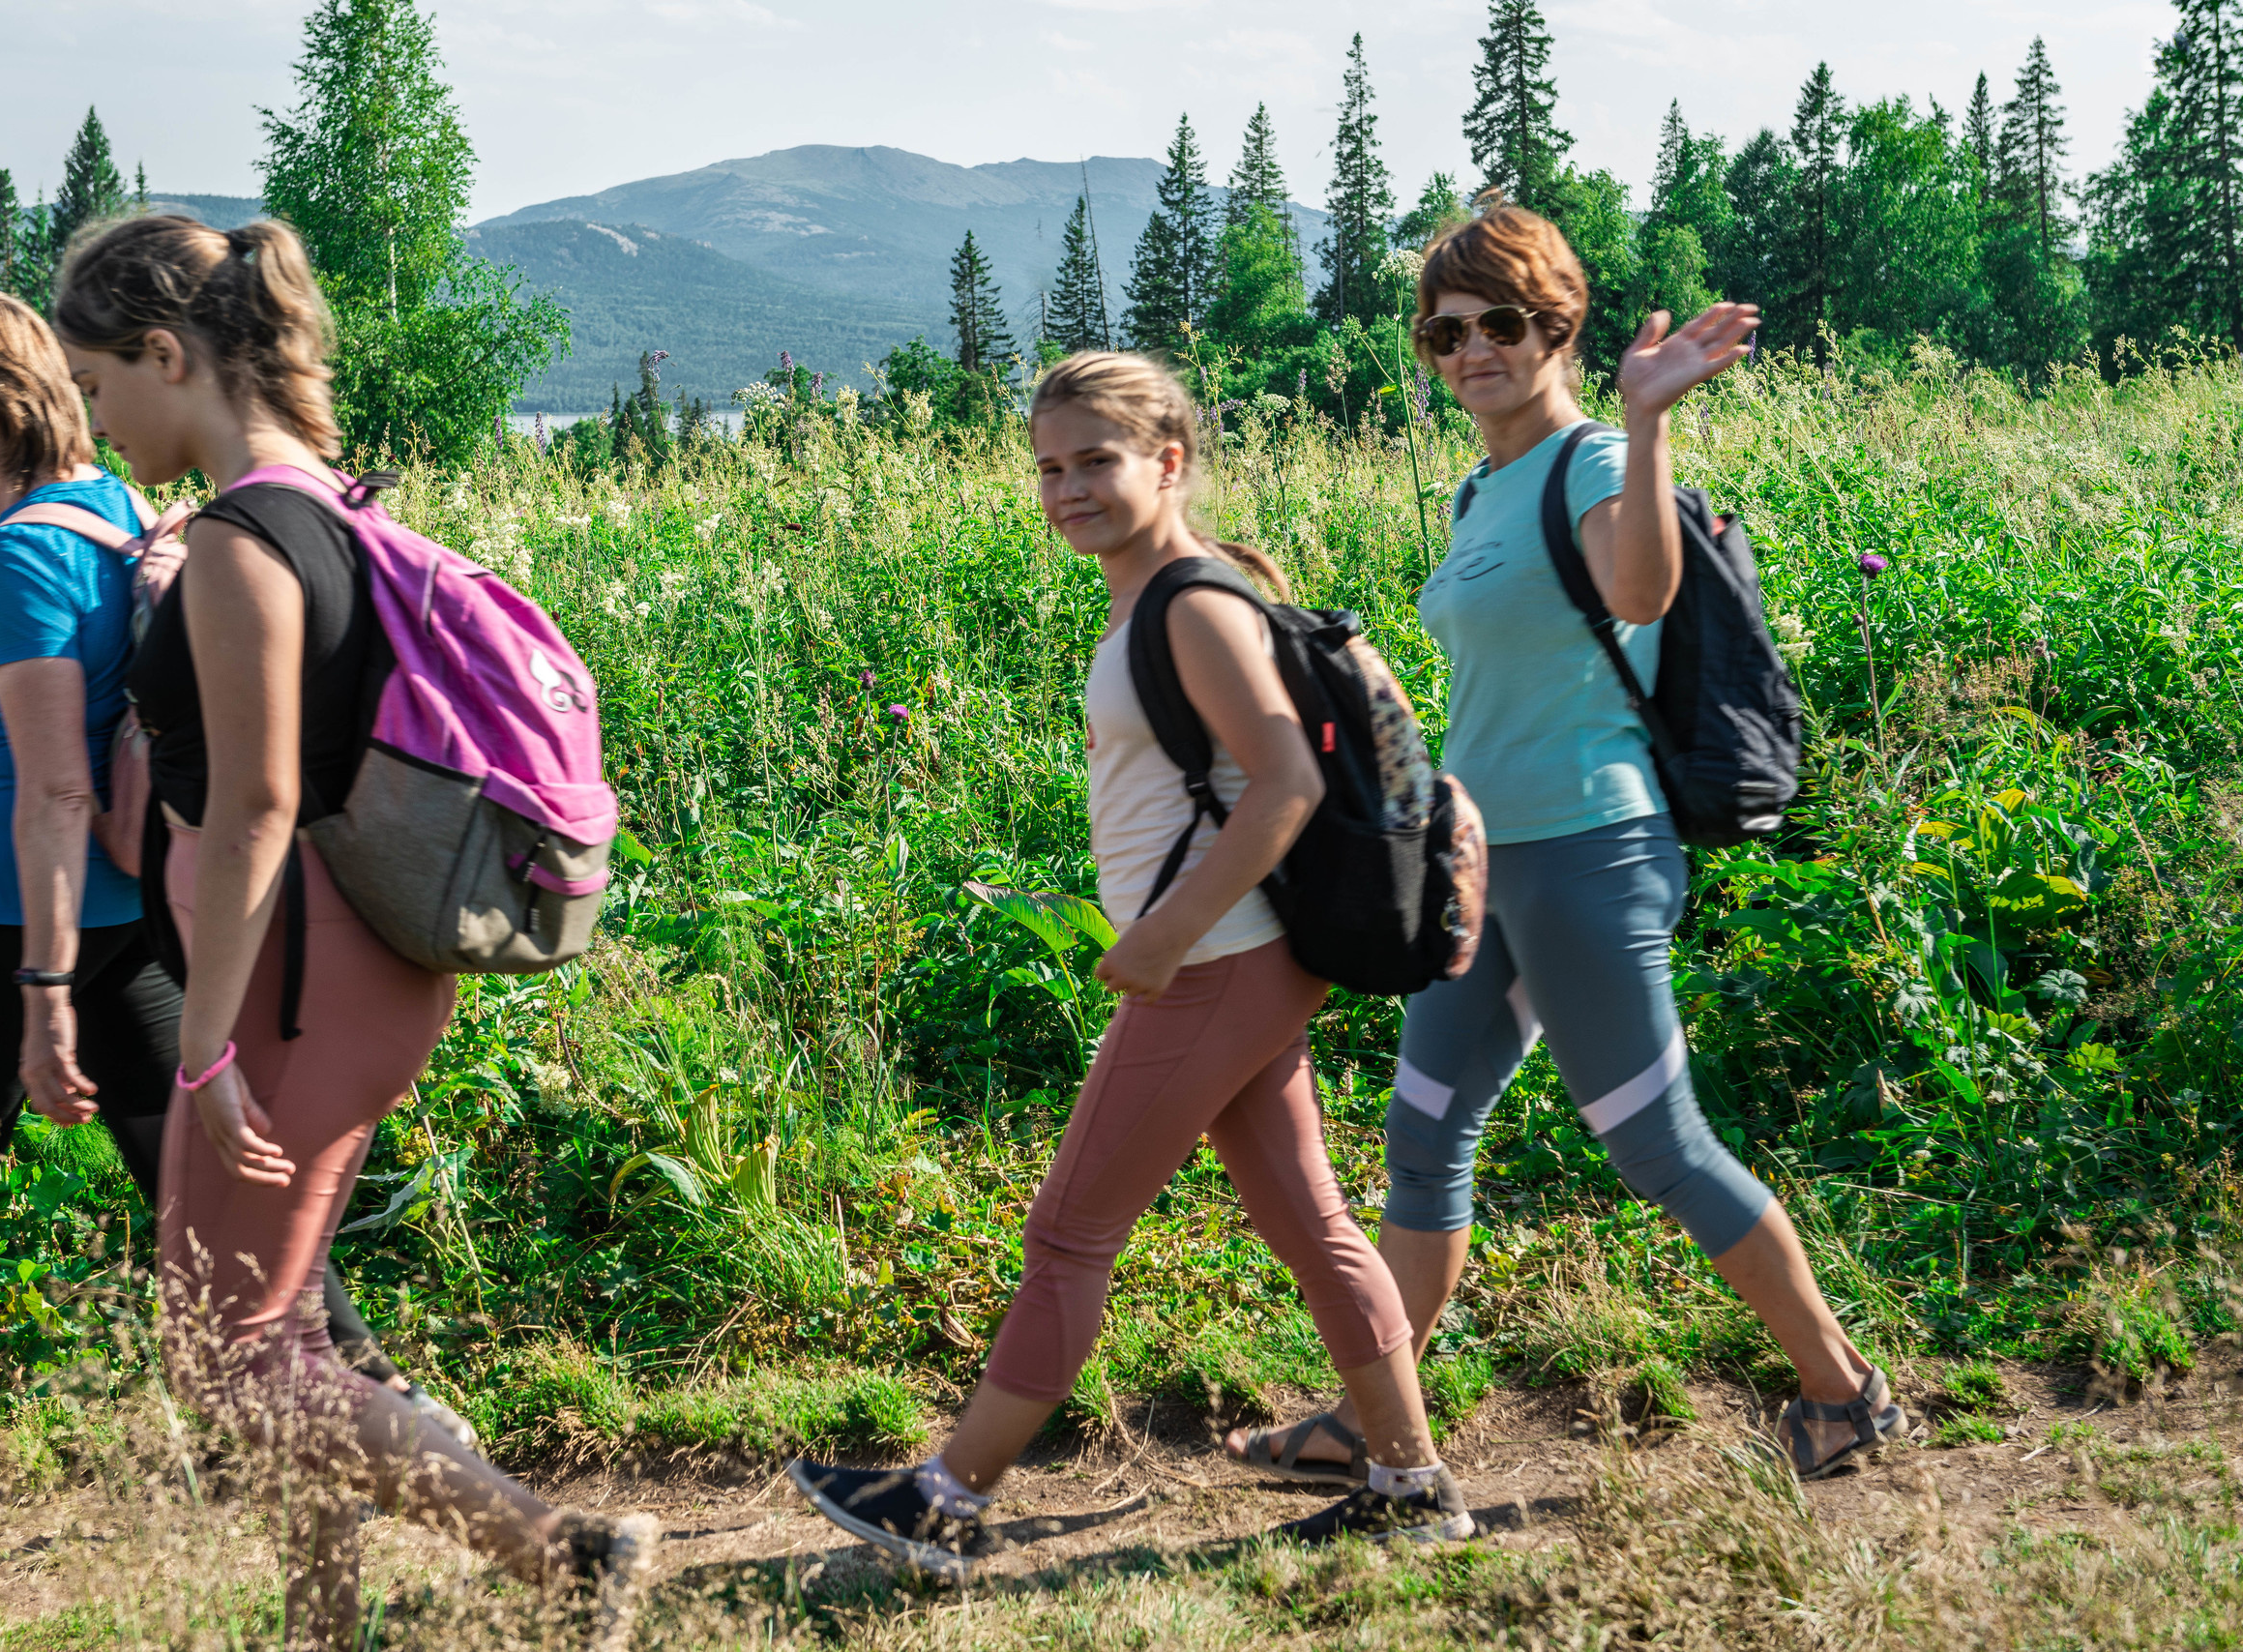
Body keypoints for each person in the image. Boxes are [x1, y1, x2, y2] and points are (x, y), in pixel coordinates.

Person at [1225, 201, 1904, 1488]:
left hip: (1589, 854)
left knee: (1657, 1145)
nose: (1472, 350)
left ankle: (1843, 1390)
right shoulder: (1480, 486)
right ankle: (1375, 1421)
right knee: (1423, 1139)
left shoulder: (1592, 463)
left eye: (1500, 323)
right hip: (1485, 868)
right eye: (1445, 332)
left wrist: (1646, 422)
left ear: (1558, 327)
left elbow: (1639, 592)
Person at [52, 214, 654, 1650]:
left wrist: (204, 1049)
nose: (93, 419)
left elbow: (258, 806)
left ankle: (564, 1554)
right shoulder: (315, 506)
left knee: (231, 1358)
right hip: (333, 967)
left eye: (96, 383)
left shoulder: (243, 540)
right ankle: (320, 1618)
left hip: (295, 980)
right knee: (283, 1335)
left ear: (165, 353)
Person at [786, 351, 1471, 1577]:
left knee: (1068, 1233)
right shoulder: (1155, 598)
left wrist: (1159, 936)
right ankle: (1410, 1486)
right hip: (1237, 960)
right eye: (1049, 467)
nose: (1068, 489)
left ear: (1168, 460)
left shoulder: (1192, 605)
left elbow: (1286, 782)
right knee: (1313, 1224)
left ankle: (945, 1500)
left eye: (1095, 460)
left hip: (1218, 961)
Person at [0, 291, 463, 1539]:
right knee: (207, 1181)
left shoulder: (19, 553)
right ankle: (392, 1410)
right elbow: (22, 744)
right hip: (126, 911)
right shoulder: (115, 511)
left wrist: (41, 989)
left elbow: (56, 785)